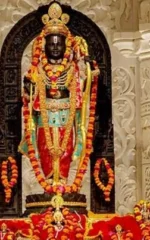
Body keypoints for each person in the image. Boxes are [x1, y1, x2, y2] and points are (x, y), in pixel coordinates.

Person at [18, 2, 99, 185]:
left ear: (65, 46)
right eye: (51, 44)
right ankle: (49, 186)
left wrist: (89, 77)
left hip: (66, 116)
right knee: (45, 150)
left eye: (59, 44)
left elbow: (80, 90)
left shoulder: (71, 69)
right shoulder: (38, 70)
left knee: (65, 150)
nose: (55, 48)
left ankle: (62, 183)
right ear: (44, 46)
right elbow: (30, 96)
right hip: (44, 117)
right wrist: (28, 87)